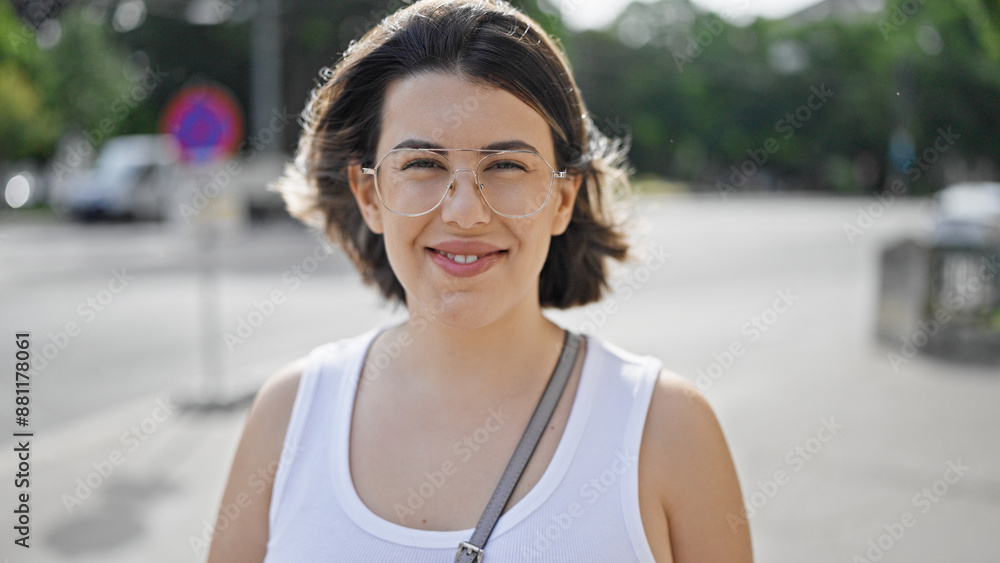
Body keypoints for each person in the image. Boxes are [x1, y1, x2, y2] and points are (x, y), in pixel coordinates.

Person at [207, 0, 753, 561]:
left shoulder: (665, 428)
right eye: (422, 164)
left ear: (563, 198)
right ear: (369, 194)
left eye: (506, 166)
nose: (465, 213)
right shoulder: (289, 415)